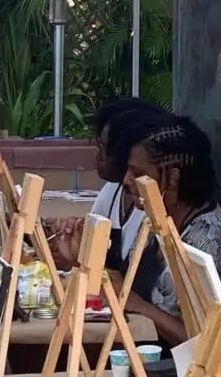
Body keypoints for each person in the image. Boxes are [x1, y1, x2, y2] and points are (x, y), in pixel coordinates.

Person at [115, 118, 221, 347]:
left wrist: (142, 307)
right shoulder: (158, 222)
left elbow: (218, 345)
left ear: (173, 179)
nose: (126, 180)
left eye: (138, 173)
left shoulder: (213, 242)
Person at [52, 98, 165, 271]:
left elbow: (132, 288)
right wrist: (73, 249)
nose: (98, 156)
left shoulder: (150, 205)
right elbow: (89, 259)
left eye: (104, 148)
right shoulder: (112, 191)